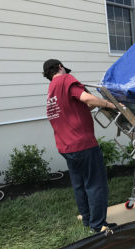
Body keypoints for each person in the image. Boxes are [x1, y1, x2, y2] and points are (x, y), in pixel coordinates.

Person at [43, 59, 117, 233]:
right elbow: (86, 98)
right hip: (82, 144)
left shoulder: (51, 91)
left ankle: (87, 220)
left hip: (66, 146)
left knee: (79, 184)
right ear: (60, 67)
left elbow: (77, 106)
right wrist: (111, 104)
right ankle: (98, 225)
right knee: (96, 184)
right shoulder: (65, 79)